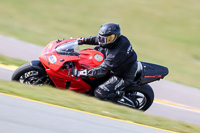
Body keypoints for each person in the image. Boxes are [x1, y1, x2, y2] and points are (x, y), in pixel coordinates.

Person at [77, 22, 138, 100]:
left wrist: (82, 73)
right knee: (96, 48)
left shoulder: (117, 53)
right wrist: (81, 40)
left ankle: (118, 95)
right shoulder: (116, 40)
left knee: (99, 93)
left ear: (116, 37)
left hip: (122, 75)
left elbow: (102, 70)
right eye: (103, 38)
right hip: (117, 64)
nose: (105, 41)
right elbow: (97, 39)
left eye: (109, 39)